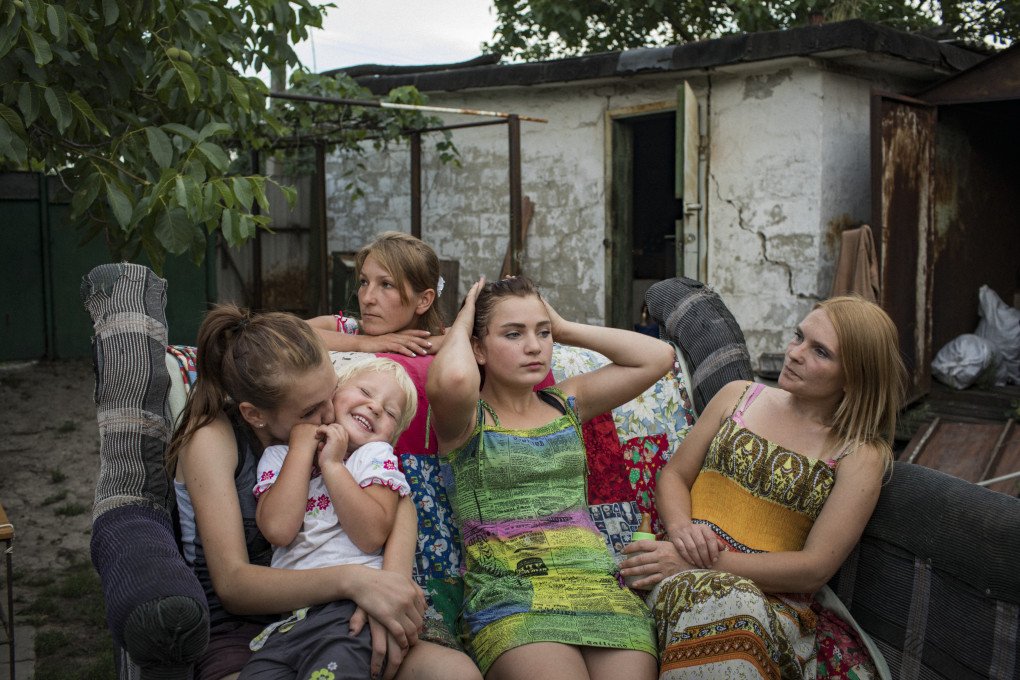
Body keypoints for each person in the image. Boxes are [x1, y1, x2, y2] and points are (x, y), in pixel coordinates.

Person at [167, 306, 479, 680]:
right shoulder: (213, 439)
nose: (331, 412)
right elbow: (234, 584)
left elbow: (396, 498)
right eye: (313, 409)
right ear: (255, 415)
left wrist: (389, 589)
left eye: (332, 392)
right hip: (244, 625)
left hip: (347, 610)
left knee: (453, 673)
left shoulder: (331, 431)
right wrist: (357, 581)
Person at [621, 295, 905, 679]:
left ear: (854, 376)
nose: (795, 353)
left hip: (768, 600)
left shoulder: (859, 455)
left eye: (820, 351)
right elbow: (674, 475)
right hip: (677, 566)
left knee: (731, 606)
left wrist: (702, 563)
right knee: (695, 598)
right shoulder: (739, 396)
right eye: (798, 337)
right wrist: (681, 531)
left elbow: (814, 569)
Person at [427, 275, 675, 680]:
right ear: (478, 348)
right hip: (512, 595)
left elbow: (658, 357)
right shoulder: (468, 419)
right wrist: (466, 313)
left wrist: (562, 327)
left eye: (541, 334)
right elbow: (453, 379)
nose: (533, 346)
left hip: (600, 591)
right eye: (513, 334)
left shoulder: (565, 403)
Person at [306, 231, 446, 357]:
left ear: (424, 300)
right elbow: (286, 333)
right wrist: (361, 343)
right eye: (364, 282)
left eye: (386, 284)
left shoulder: (448, 349)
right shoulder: (351, 330)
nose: (367, 298)